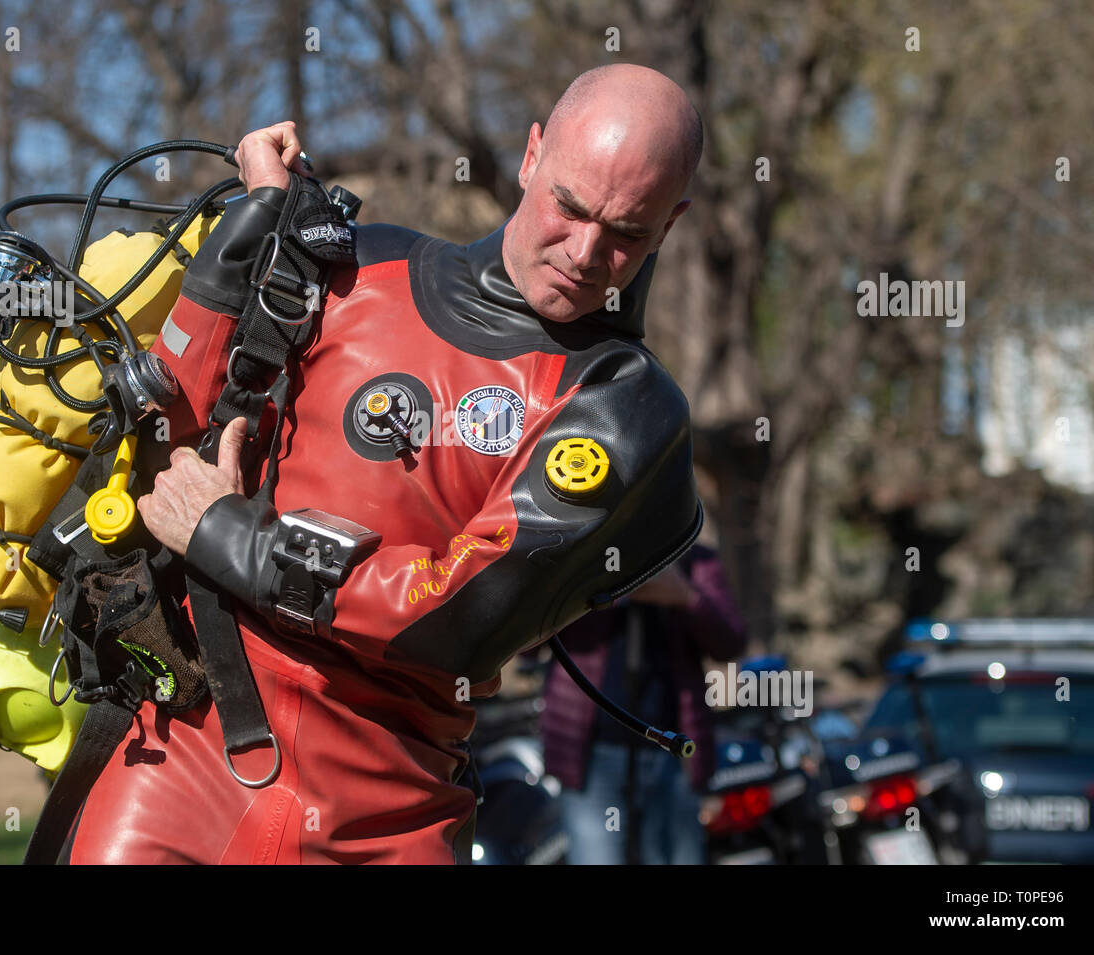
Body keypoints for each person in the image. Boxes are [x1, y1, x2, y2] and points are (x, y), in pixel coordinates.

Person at [63, 63, 706, 864]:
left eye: (627, 234)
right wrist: (250, 232)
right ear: (532, 155)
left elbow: (459, 616)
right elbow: (164, 437)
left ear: (671, 222)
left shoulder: (625, 402)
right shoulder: (353, 267)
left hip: (391, 818)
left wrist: (229, 535)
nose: (584, 252)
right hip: (185, 756)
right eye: (569, 207)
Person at [541, 540, 748, 865]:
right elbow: (526, 642)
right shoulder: (578, 552)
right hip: (591, 755)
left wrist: (686, 597)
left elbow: (731, 641)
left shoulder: (694, 559)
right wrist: (587, 582)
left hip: (672, 753)